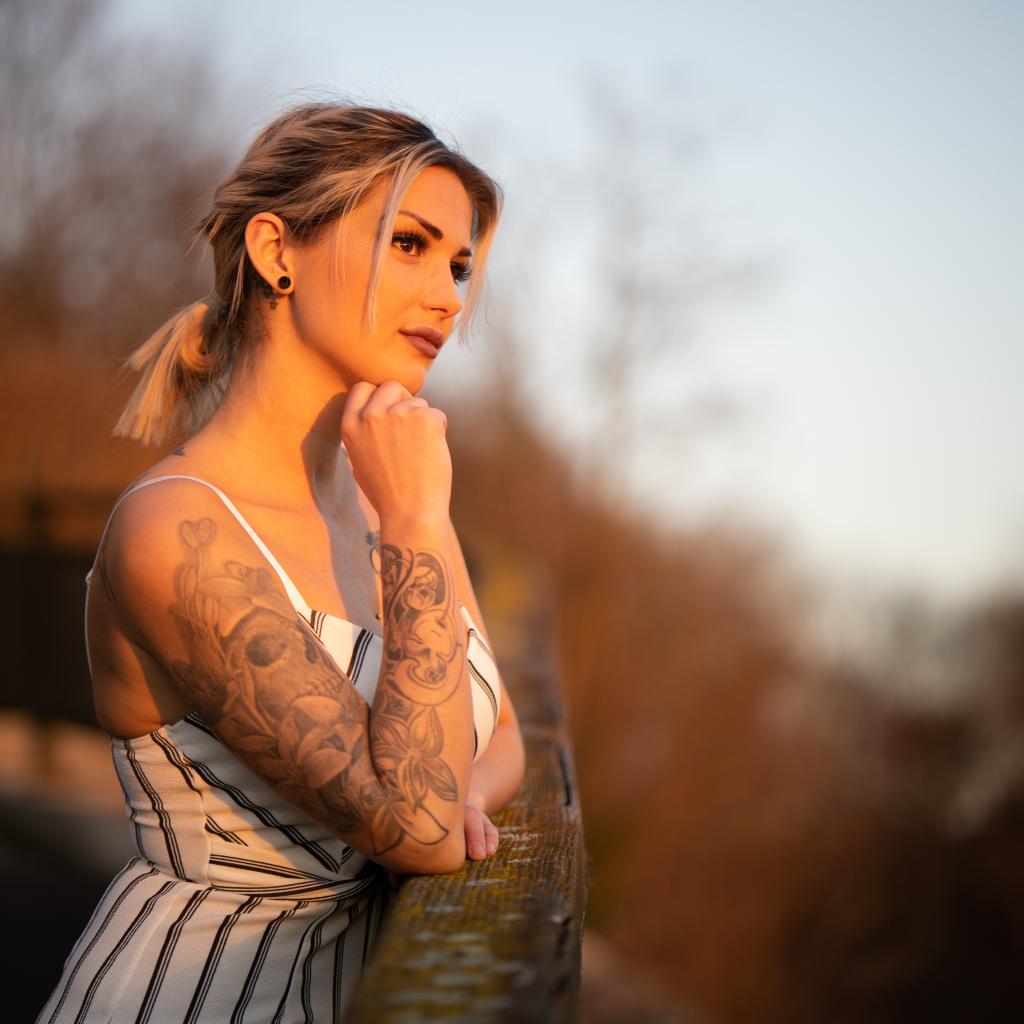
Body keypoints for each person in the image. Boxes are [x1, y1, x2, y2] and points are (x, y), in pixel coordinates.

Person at [37, 102, 525, 1023]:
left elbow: (502, 735)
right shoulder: (176, 530)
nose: (450, 297)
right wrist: (417, 517)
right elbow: (418, 833)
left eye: (459, 266)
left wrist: (456, 791)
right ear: (276, 251)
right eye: (410, 245)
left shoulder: (386, 499)